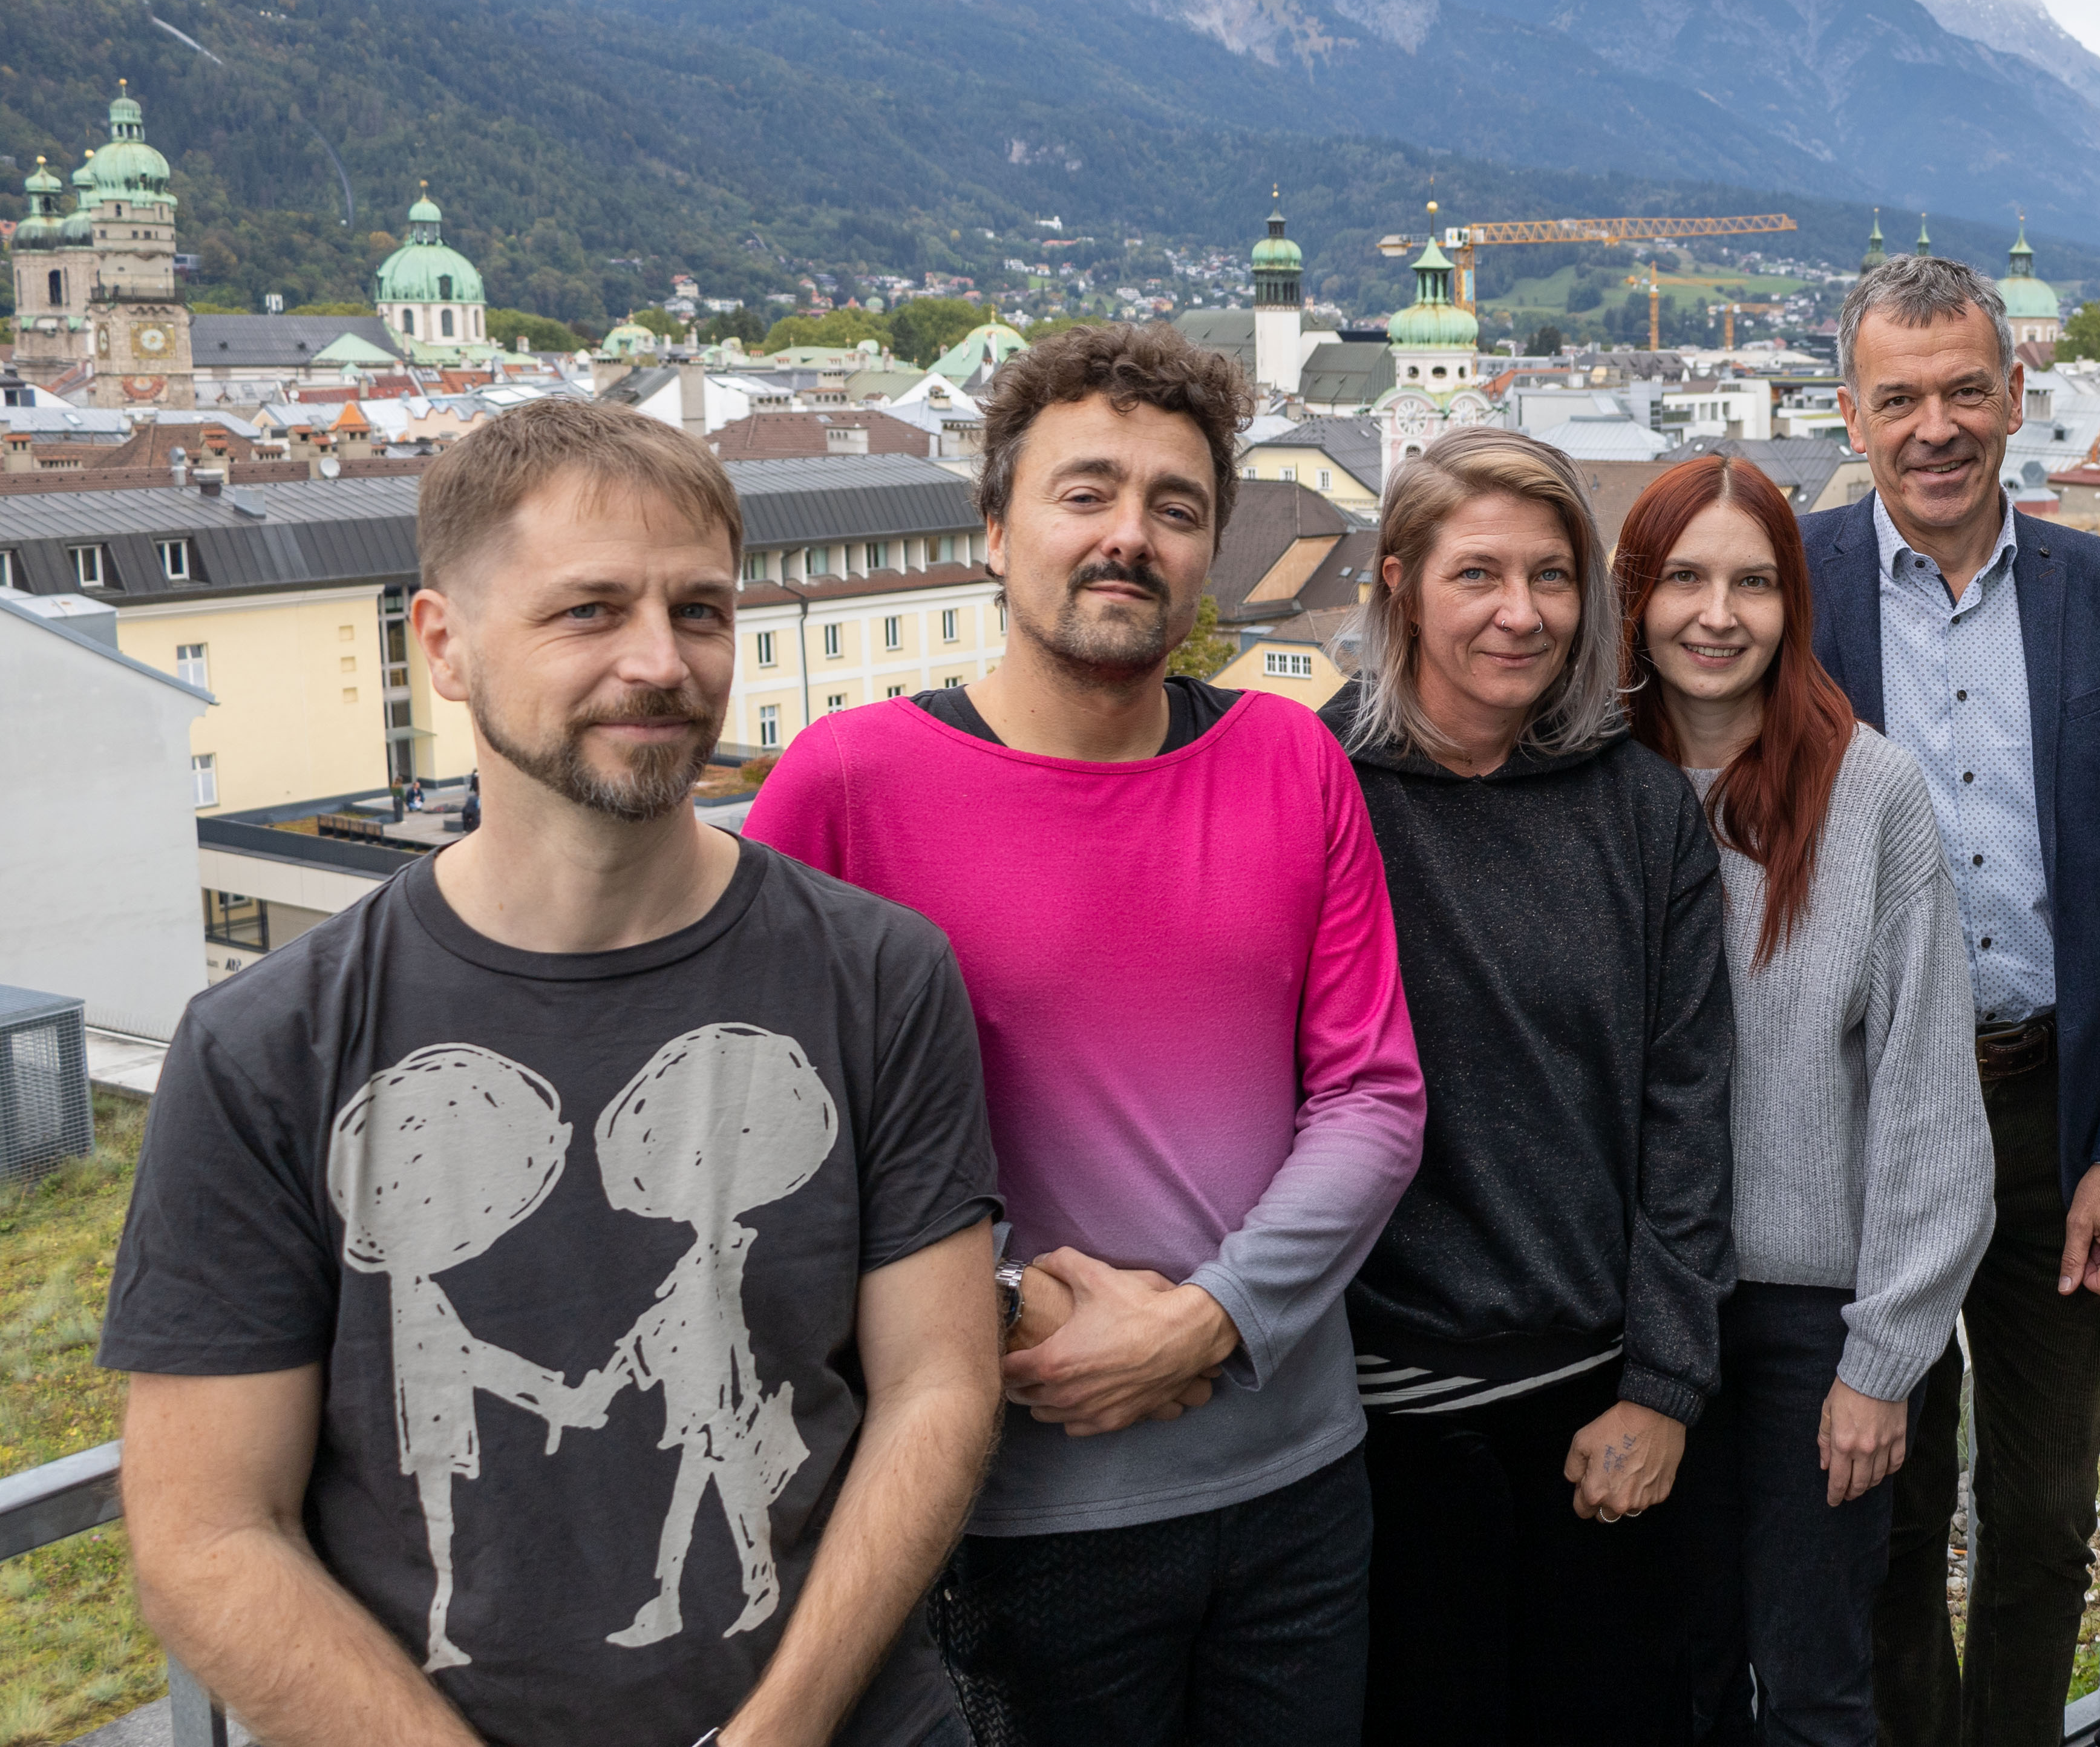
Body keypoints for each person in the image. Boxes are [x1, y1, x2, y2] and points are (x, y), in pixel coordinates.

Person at [103, 398, 1003, 1747]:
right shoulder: (268, 1044)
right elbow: (206, 1528)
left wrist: (784, 1727)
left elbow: (938, 1383)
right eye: (589, 609)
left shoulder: (878, 975)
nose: (662, 660)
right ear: (443, 643)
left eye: (700, 609)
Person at [747, 324, 1427, 1742]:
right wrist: (1003, 1305)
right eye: (1086, 492)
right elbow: (773, 1150)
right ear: (994, 528)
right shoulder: (850, 786)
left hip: (1299, 1488)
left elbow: (1372, 1093)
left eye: (1176, 507)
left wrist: (1211, 1319)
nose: (1131, 535)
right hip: (1007, 1506)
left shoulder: (1288, 754)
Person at [1801, 254, 2100, 1747]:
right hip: (1863, 1121)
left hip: (2053, 1117)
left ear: (2019, 394)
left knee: (2038, 1517)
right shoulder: (1789, 575)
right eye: (1898, 397)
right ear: (1851, 410)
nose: (1937, 425)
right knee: (1887, 1514)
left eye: (1968, 388)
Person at [1326, 427, 1735, 1747]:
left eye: (1552, 576)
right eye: (1478, 574)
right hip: (1376, 1416)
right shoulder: (1315, 784)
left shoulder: (1636, 803)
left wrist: (1665, 1385)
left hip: (1598, 1408)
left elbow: (1685, 1106)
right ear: (1398, 581)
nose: (1522, 612)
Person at [1614, 454, 1997, 1747]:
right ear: (1635, 595)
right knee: (1670, 1670)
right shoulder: (1584, 782)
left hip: (1806, 1323)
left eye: (1753, 582)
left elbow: (1928, 1098)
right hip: (1624, 1309)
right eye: (1684, 578)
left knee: (1819, 1684)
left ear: (1794, 605)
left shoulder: (1868, 790)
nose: (1716, 613)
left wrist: (1883, 1359)